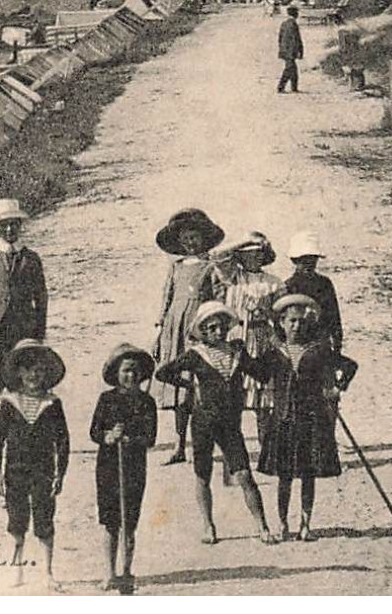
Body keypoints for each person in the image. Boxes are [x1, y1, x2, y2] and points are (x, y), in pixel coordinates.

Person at [154, 302, 276, 545]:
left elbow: (262, 374)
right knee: (203, 475)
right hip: (203, 422)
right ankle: (208, 526)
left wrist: (269, 350)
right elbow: (163, 373)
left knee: (244, 475)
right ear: (203, 331)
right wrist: (190, 386)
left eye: (221, 327)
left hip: (230, 425)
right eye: (211, 328)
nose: (217, 332)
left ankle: (263, 527)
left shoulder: (236, 353)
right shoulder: (196, 355)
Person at [255, 294, 358, 541]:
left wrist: (336, 388)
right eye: (291, 321)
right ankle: (282, 524)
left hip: (312, 420)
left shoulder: (319, 350)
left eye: (301, 321)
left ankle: (305, 524)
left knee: (308, 474)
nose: (296, 326)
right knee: (284, 476)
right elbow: (257, 373)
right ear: (281, 322)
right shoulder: (274, 352)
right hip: (282, 420)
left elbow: (350, 365)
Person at [0, 340, 69, 591]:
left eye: (40, 369)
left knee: (44, 517)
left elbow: (63, 439)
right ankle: (17, 570)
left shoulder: (52, 404)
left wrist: (60, 473)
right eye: (28, 369)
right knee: (17, 519)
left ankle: (47, 572)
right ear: (19, 373)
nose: (34, 374)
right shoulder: (10, 402)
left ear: (46, 373)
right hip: (15, 469)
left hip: (43, 470)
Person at [151, 208, 227, 465]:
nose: (190, 243)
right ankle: (179, 444)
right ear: (179, 242)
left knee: (200, 386)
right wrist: (161, 331)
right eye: (185, 238)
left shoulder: (210, 267)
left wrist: (215, 328)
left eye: (195, 237)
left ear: (204, 239)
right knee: (178, 389)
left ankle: (204, 443)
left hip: (198, 330)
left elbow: (220, 298)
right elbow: (166, 298)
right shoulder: (176, 267)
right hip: (175, 330)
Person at [0, 199, 49, 435]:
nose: (9, 230)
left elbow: (41, 298)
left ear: (20, 226)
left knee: (24, 382)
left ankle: (23, 436)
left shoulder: (31, 258)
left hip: (22, 332)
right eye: (3, 225)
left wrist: (39, 332)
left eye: (14, 225)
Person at [91, 343, 158, 591]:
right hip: (108, 466)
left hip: (134, 467)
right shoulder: (106, 399)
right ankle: (109, 572)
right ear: (116, 374)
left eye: (135, 371)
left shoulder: (147, 402)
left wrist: (131, 440)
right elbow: (94, 431)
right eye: (126, 371)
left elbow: (150, 437)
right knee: (111, 521)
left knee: (129, 521)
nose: (131, 376)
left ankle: (127, 570)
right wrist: (108, 436)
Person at [206, 231, 284, 437]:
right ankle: (234, 446)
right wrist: (247, 240)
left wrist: (263, 310)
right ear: (240, 255)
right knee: (235, 392)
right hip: (236, 338)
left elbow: (282, 316)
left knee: (264, 395)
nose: (255, 256)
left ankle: (265, 445)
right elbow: (215, 255)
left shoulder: (273, 282)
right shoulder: (233, 277)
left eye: (258, 252)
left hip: (261, 338)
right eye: (249, 253)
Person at [279, 232, 344, 352]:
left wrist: (337, 344)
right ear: (295, 261)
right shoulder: (288, 286)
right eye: (304, 261)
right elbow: (281, 323)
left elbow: (334, 317)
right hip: (297, 345)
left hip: (321, 343)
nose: (309, 265)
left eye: (312, 260)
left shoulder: (324, 284)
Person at [276, 4, 304, 93]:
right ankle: (281, 87)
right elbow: (296, 39)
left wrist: (281, 48)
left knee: (293, 70)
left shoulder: (284, 24)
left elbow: (280, 38)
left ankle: (294, 88)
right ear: (295, 14)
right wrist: (299, 51)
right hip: (290, 51)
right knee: (289, 69)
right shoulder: (293, 24)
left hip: (284, 50)